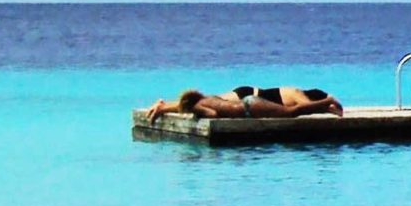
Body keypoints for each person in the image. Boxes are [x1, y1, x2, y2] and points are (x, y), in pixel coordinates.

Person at [146, 86, 343, 121]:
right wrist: (328, 107)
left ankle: (163, 106)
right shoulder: (298, 93)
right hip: (250, 98)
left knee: (216, 100)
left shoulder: (201, 101)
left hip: (250, 97)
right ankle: (163, 107)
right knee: (293, 111)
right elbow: (301, 108)